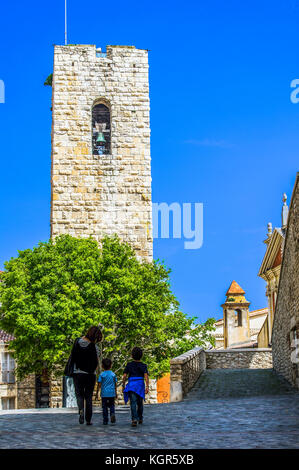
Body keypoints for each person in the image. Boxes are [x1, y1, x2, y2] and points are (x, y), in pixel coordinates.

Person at [72, 326, 102, 425]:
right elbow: (97, 362)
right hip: (90, 375)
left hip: (78, 373)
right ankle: (88, 420)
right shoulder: (95, 347)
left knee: (79, 395)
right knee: (88, 397)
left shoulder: (77, 342)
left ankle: (81, 410)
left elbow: (73, 356)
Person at [122, 347, 149, 427]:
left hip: (132, 385)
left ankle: (134, 419)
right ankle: (140, 418)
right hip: (140, 385)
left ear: (132, 355)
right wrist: (147, 386)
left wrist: (123, 385)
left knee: (133, 403)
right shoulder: (144, 366)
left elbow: (124, 376)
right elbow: (146, 376)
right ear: (141, 356)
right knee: (140, 403)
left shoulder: (129, 365)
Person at [95, 358, 117, 425]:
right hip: (111, 393)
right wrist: (116, 393)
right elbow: (115, 384)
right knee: (112, 405)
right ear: (111, 366)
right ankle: (112, 414)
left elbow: (99, 384)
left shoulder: (102, 375)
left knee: (104, 407)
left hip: (104, 393)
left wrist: (97, 393)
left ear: (102, 366)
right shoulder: (113, 374)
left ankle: (105, 420)